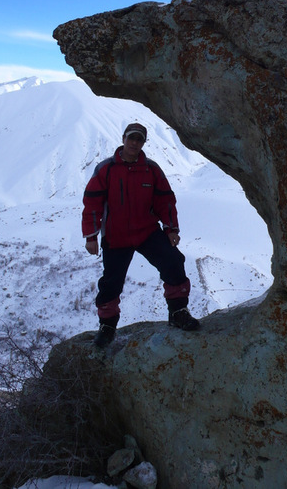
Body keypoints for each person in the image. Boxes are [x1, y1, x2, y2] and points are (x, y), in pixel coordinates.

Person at [82, 122, 200, 348]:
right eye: (131, 138)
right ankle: (107, 326)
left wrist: (171, 228)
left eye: (139, 140)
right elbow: (92, 202)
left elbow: (165, 199)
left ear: (143, 143)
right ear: (123, 139)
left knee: (173, 261)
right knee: (111, 283)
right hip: (116, 236)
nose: (134, 143)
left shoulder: (151, 169)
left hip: (147, 231)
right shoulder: (106, 169)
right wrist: (91, 235)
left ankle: (178, 312)